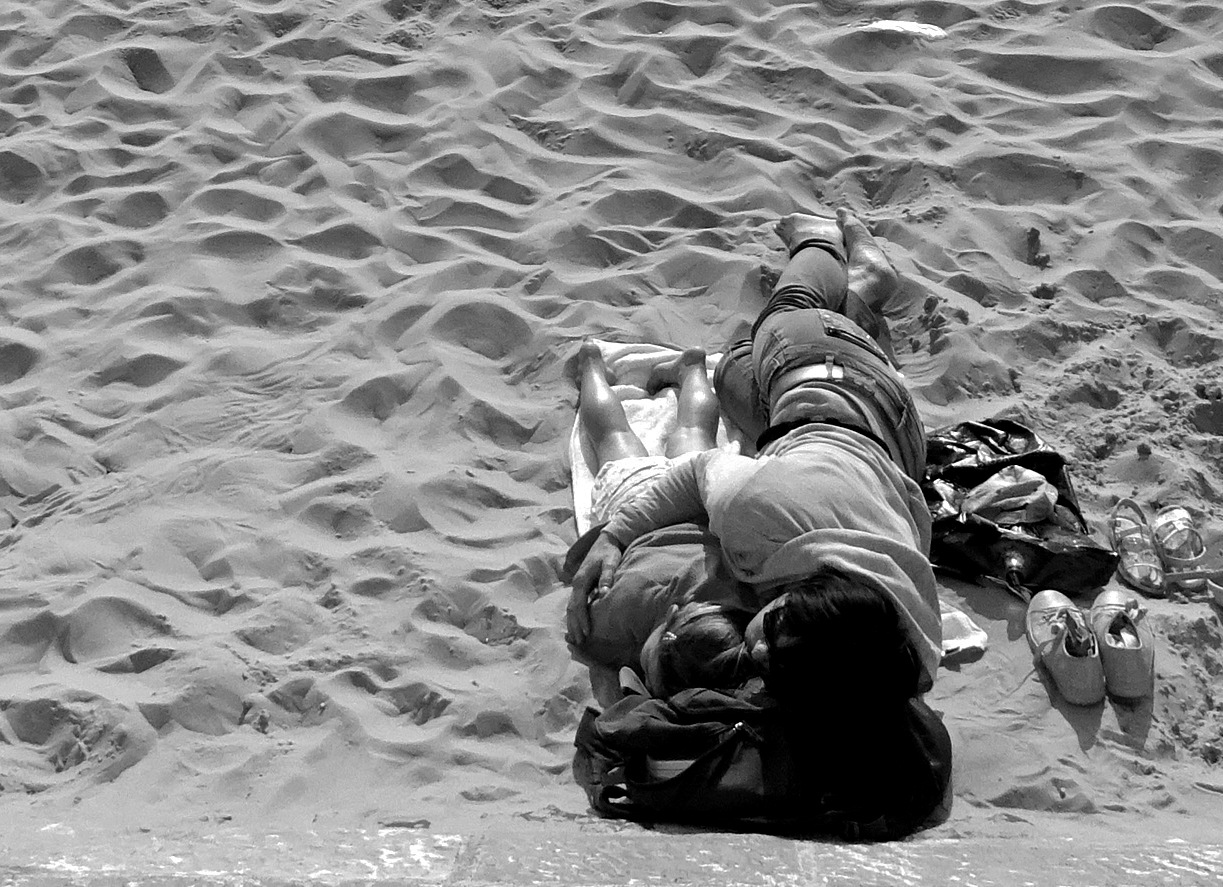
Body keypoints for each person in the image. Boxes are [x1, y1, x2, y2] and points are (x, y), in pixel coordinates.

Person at [569, 208, 942, 693]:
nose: (758, 650)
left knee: (738, 374)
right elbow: (700, 468)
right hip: (829, 377)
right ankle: (821, 245)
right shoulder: (759, 513)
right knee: (780, 320)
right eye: (773, 631)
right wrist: (614, 537)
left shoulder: (903, 640)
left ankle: (862, 298)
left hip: (901, 447)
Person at [566, 343, 754, 704]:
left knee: (694, 433)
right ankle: (590, 367)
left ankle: (693, 370)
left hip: (693, 501)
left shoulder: (738, 602)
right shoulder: (632, 601)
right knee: (612, 437)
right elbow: (586, 634)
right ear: (665, 621)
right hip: (636, 505)